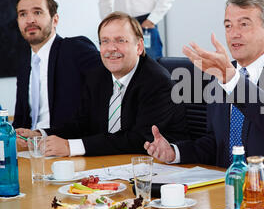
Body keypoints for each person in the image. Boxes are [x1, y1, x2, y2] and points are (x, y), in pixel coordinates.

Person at [144, 0, 264, 176]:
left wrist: (232, 79)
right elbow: (217, 143)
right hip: (227, 187)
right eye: (228, 26)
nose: (233, 34)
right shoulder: (222, 75)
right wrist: (174, 152)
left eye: (244, 24)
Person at [16, 11, 188, 157]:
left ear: (139, 46)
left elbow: (138, 140)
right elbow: (81, 124)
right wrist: (40, 134)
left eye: (120, 40)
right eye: (105, 41)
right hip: (109, 165)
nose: (111, 48)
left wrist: (71, 147)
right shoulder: (98, 75)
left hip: (156, 167)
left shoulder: (157, 82)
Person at [13, 0, 102, 130]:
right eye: (23, 14)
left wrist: (43, 134)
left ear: (55, 20)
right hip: (29, 148)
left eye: (37, 12)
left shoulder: (75, 49)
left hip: (65, 145)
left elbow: (106, 94)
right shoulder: (24, 64)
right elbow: (20, 120)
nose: (30, 20)